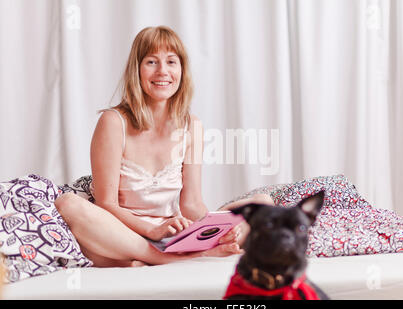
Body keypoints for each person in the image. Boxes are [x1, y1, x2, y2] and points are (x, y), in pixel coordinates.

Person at [54, 26, 274, 267]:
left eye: (171, 61)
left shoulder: (191, 125)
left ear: (181, 70)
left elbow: (190, 203)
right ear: (136, 70)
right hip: (123, 234)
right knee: (68, 204)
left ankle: (182, 253)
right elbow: (107, 204)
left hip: (174, 234)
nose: (163, 71)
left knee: (263, 202)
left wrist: (215, 230)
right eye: (151, 62)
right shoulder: (113, 122)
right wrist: (153, 230)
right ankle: (159, 258)